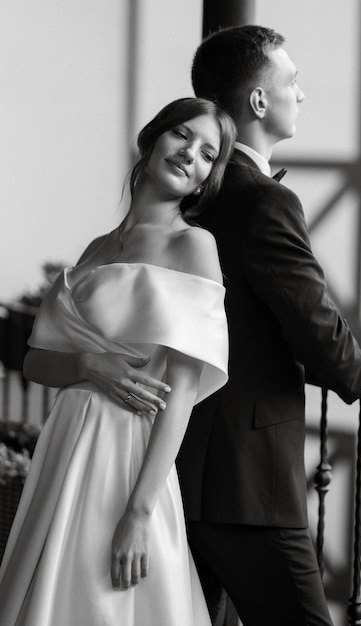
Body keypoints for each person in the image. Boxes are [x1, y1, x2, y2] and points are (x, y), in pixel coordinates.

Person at [175, 26, 361, 626]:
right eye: (292, 82)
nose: (300, 95)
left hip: (185, 461)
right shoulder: (261, 199)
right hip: (246, 480)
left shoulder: (195, 194)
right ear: (257, 101)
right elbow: (307, 315)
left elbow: (248, 319)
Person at [0, 97, 236, 626]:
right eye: (182, 135)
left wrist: (139, 512)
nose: (189, 154)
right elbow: (37, 363)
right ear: (151, 138)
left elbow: (178, 398)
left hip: (127, 457)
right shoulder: (97, 248)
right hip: (63, 447)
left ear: (204, 181)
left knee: (103, 603)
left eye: (207, 154)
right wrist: (89, 363)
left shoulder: (194, 246)